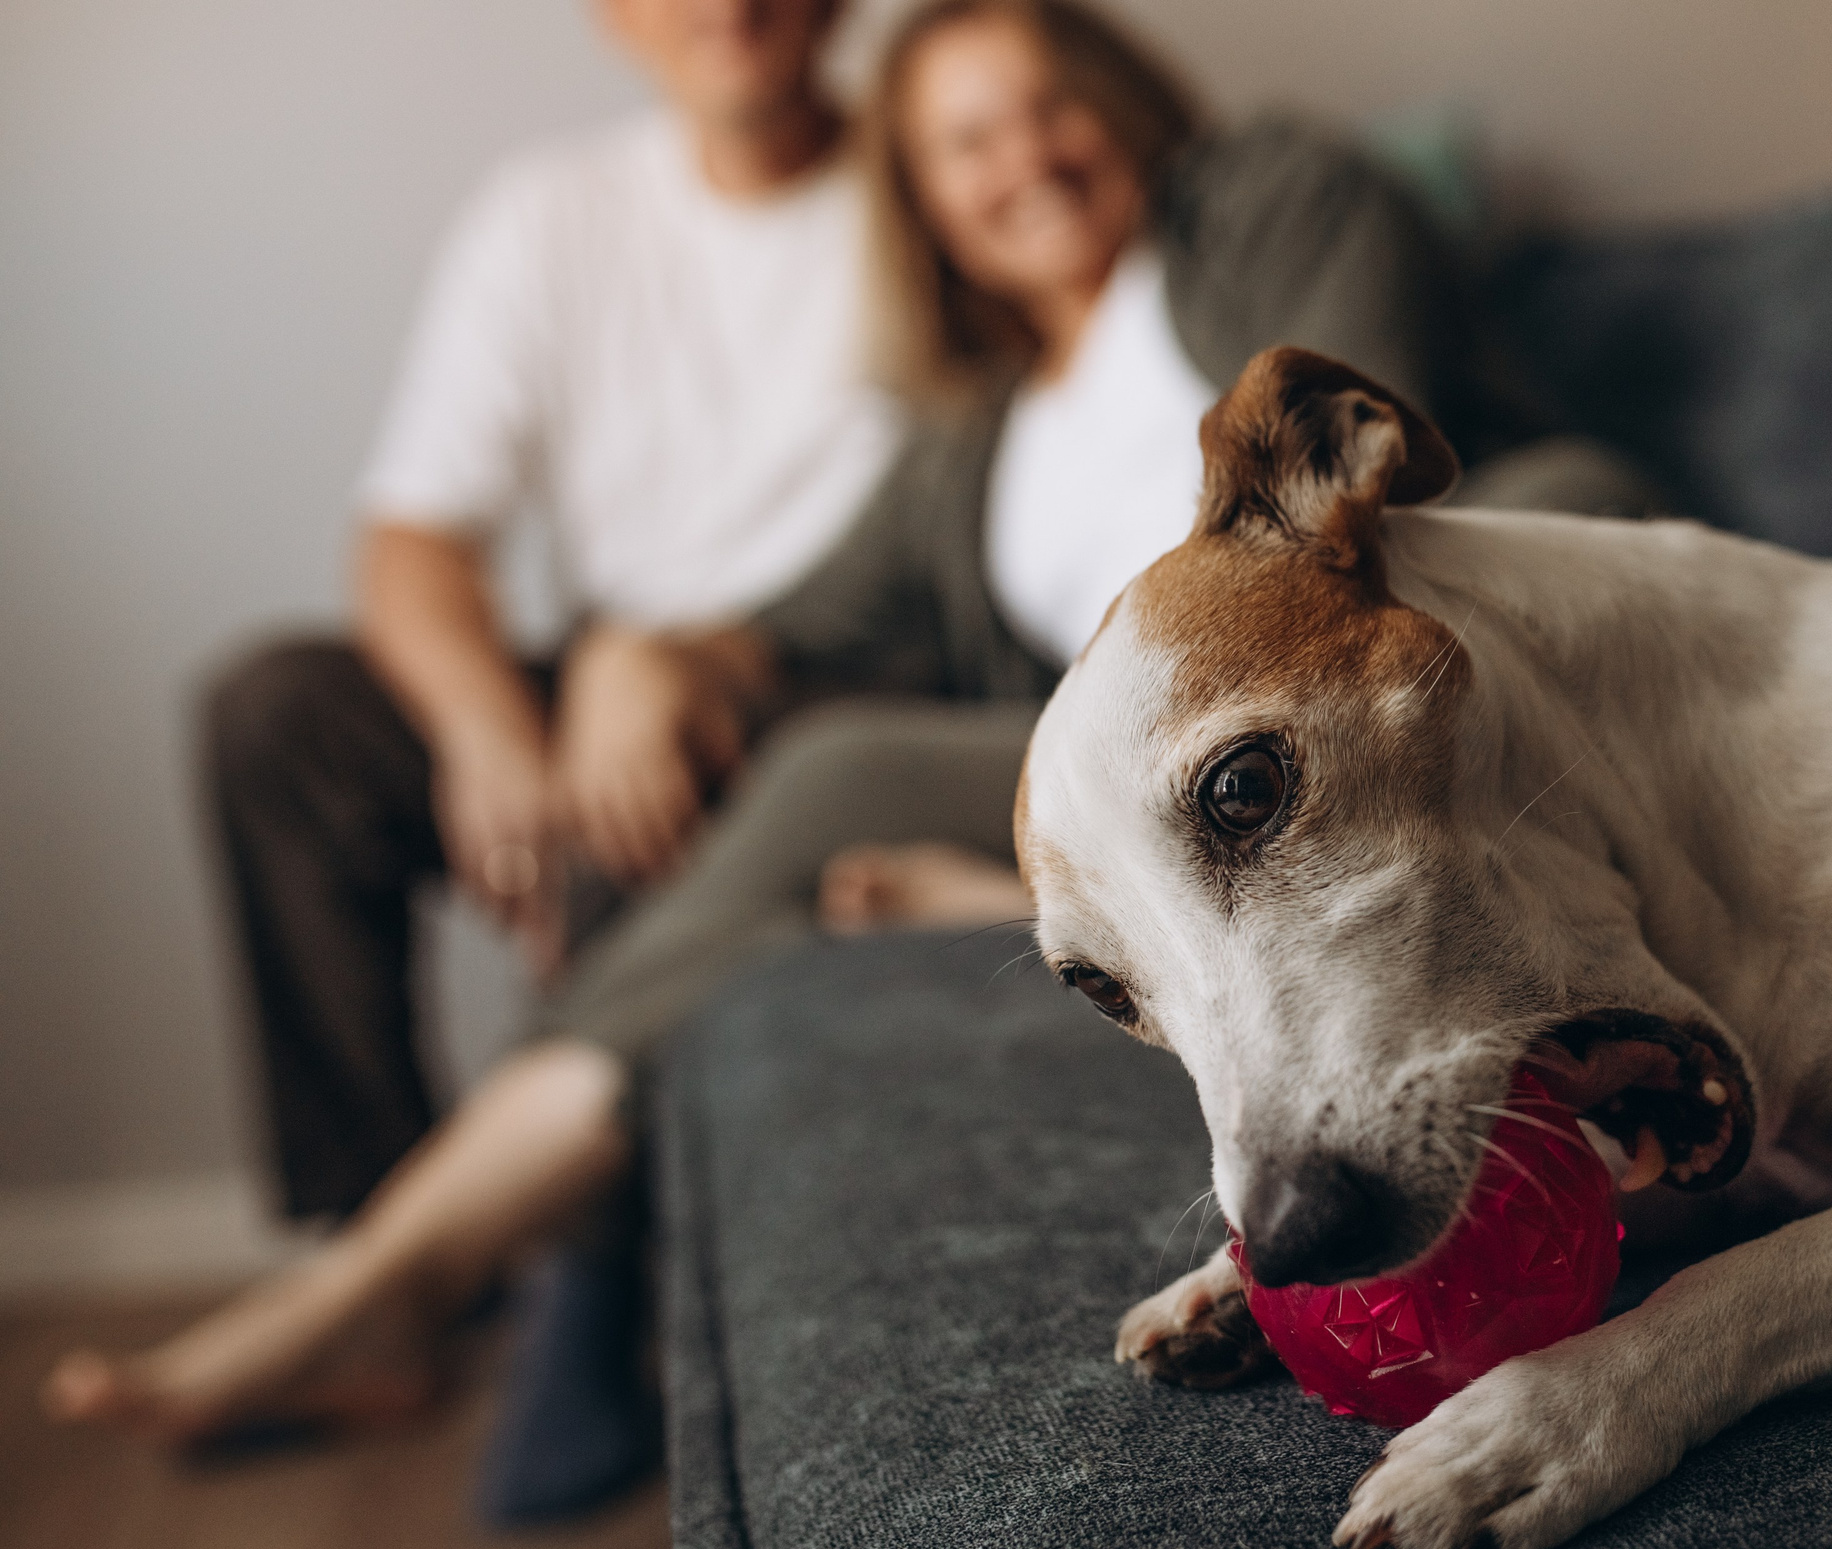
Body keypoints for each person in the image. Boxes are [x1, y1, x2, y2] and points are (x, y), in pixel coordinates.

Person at [45, 0, 1649, 1456]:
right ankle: (408, 1257)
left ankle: (432, 1254)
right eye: (962, 143)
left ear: (1116, 94)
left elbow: (1338, 478)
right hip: (1117, 778)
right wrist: (644, 656)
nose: (1017, 157)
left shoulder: (1268, 196)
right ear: (928, 204)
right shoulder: (981, 426)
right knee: (524, 734)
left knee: (842, 769)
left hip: (1298, 712)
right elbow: (807, 609)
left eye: (1043, 104)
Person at [201, 0, 898, 1223]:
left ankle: (554, 1256)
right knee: (277, 717)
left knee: (645, 805)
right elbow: (413, 535)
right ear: (612, 14)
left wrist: (665, 672)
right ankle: (365, 1234)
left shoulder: (930, 184)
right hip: (601, 677)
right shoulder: (551, 213)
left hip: (830, 684)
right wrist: (492, 737)